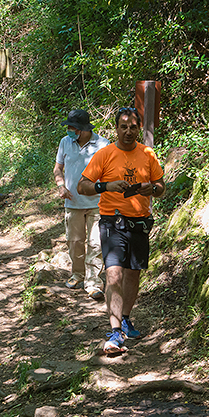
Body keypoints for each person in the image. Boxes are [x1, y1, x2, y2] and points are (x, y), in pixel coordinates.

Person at [78, 107, 165, 353]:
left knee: (133, 274)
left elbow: (161, 186)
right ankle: (115, 332)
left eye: (133, 127)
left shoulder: (148, 154)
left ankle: (125, 318)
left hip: (139, 222)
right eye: (123, 127)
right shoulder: (105, 155)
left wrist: (153, 190)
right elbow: (82, 186)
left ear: (139, 128)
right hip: (112, 222)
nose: (128, 131)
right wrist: (106, 186)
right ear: (116, 128)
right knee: (114, 274)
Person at [54, 109, 110, 301]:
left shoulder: (103, 145)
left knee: (96, 243)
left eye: (72, 127)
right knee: (74, 242)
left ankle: (94, 282)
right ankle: (77, 274)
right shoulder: (64, 142)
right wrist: (61, 186)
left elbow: (109, 174)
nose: (69, 129)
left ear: (83, 128)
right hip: (72, 203)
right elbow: (57, 169)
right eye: (68, 126)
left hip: (97, 203)